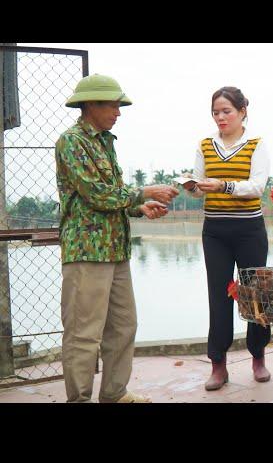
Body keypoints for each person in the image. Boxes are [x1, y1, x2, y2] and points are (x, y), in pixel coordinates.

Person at [55, 74, 179, 403]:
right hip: (86, 252)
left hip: (115, 249)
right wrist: (144, 191)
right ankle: (78, 399)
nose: (118, 112)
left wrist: (140, 207)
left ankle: (114, 393)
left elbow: (112, 198)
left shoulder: (105, 142)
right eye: (112, 105)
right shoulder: (71, 142)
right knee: (84, 334)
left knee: (124, 326)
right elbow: (96, 194)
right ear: (90, 105)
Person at [182, 86, 271, 391]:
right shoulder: (205, 146)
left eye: (226, 111)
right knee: (218, 297)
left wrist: (223, 186)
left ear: (243, 110)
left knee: (254, 296)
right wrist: (193, 187)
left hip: (250, 231)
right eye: (215, 112)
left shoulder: (256, 145)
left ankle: (258, 357)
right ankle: (218, 365)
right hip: (216, 232)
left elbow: (257, 187)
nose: (220, 117)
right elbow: (198, 188)